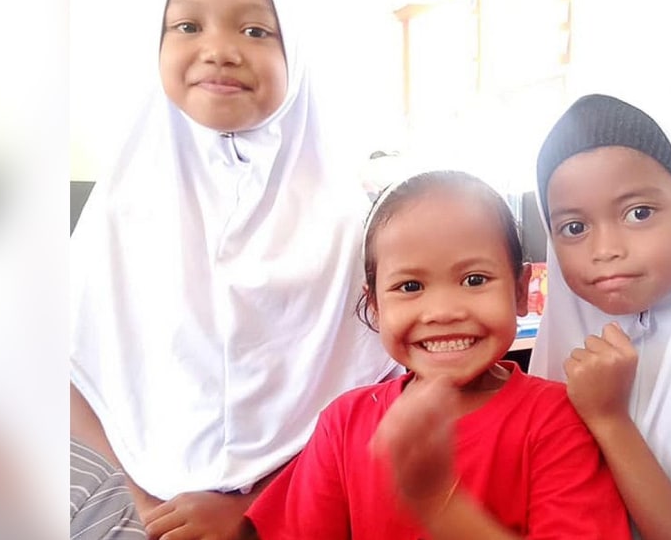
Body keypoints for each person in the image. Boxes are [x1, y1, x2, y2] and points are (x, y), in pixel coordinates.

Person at [69, 0, 398, 540]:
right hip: (142, 516)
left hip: (312, 508)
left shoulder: (349, 222)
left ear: (295, 50)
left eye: (255, 31)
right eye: (188, 25)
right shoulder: (119, 210)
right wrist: (139, 497)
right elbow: (73, 370)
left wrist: (257, 508)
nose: (218, 50)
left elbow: (381, 390)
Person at [244, 170, 632, 539]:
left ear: (519, 289)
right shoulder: (342, 424)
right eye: (410, 285)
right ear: (375, 307)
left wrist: (438, 504)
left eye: (474, 280)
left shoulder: (556, 419)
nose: (444, 311)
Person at [527, 94, 671, 539]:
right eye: (574, 227)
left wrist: (608, 419)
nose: (605, 250)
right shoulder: (561, 339)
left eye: (639, 213)